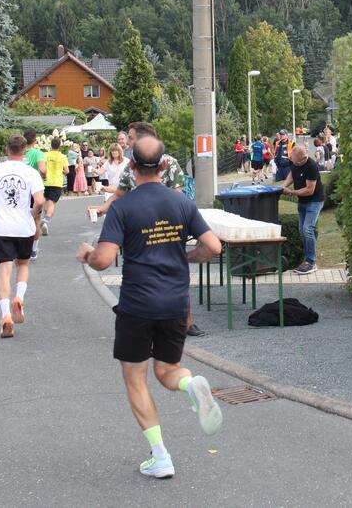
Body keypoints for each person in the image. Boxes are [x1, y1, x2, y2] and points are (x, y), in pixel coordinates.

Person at [76, 135, 224, 479]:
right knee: (168, 371)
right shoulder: (181, 202)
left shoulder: (122, 207)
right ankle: (191, 384)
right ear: (163, 165)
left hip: (138, 305)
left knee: (136, 379)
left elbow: (104, 259)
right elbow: (214, 247)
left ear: (131, 166)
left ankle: (161, 457)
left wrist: (87, 255)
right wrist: (187, 256)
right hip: (176, 303)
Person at [90, 122, 201, 337]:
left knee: (174, 273)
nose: (127, 142)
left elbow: (177, 195)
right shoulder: (131, 165)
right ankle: (142, 320)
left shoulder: (169, 163)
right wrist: (103, 208)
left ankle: (185, 321)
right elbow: (120, 194)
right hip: (139, 228)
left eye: (130, 138)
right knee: (140, 272)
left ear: (142, 139)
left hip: (165, 227)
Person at [0, 135, 45, 339]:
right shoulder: (31, 172)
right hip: (24, 227)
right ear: (25, 151)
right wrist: (33, 213)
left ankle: (6, 315)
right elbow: (40, 200)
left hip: (1, 228)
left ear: (7, 149)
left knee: (4, 272)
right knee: (23, 265)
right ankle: (19, 297)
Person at [281, 145, 323, 275]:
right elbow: (292, 173)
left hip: (314, 201)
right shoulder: (295, 162)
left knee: (307, 229)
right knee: (302, 230)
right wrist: (283, 186)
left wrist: (291, 192)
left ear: (303, 158)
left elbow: (310, 190)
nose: (293, 163)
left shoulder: (311, 166)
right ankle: (306, 259)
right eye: (292, 160)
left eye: (295, 161)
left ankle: (311, 262)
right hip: (302, 202)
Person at [21, 128, 47, 260]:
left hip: (20, 188)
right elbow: (42, 169)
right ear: (35, 140)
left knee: (20, 217)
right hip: (34, 190)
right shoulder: (38, 153)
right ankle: (33, 249)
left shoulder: (20, 153)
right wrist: (45, 175)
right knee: (36, 219)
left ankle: (21, 246)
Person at [41, 137, 68, 236]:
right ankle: (46, 220)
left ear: (51, 145)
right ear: (59, 145)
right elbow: (67, 171)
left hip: (45, 181)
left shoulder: (45, 155)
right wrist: (61, 170)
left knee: (46, 200)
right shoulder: (63, 156)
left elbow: (42, 167)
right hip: (56, 182)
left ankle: (44, 218)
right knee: (52, 203)